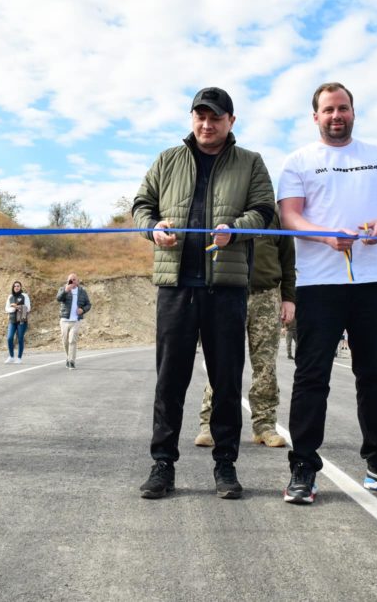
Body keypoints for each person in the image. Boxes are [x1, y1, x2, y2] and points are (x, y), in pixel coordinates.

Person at [278, 82, 377, 504]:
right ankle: (303, 466)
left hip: (373, 281)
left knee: (374, 376)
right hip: (319, 284)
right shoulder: (299, 160)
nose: (336, 116)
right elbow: (289, 215)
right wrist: (324, 238)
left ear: (353, 112)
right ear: (315, 116)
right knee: (311, 377)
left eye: (343, 108)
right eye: (328, 110)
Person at [132, 86, 275, 500]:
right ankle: (162, 465)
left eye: (215, 117)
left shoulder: (250, 162)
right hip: (175, 287)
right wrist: (152, 228)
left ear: (231, 121)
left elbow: (265, 211)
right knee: (169, 381)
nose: (206, 124)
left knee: (226, 380)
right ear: (191, 118)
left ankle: (226, 467)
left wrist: (237, 228)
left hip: (226, 288)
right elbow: (142, 204)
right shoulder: (167, 159)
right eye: (199, 116)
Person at [194, 211, 295, 449]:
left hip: (267, 296)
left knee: (266, 366)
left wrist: (289, 297)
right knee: (222, 363)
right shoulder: (223, 210)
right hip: (227, 292)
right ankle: (209, 424)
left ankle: (264, 426)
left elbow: (288, 258)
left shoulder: (273, 217)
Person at [56, 273, 91, 369]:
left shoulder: (82, 291)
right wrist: (66, 291)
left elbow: (88, 304)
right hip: (64, 320)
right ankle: (68, 358)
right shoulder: (63, 289)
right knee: (65, 341)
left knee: (72, 340)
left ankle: (71, 361)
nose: (72, 281)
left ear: (77, 281)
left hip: (76, 320)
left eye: (74, 279)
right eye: (70, 279)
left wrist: (82, 310)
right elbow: (58, 298)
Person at [4, 280, 32, 364]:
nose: (16, 287)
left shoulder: (24, 296)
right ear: (13, 287)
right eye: (15, 286)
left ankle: (19, 358)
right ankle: (11, 356)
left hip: (21, 320)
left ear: (20, 287)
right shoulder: (10, 297)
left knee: (20, 338)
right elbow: (6, 308)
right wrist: (13, 309)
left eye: (18, 286)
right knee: (9, 338)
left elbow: (28, 308)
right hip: (12, 320)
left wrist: (18, 307)